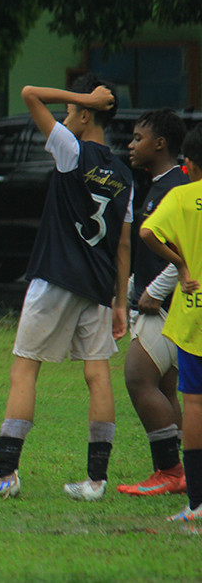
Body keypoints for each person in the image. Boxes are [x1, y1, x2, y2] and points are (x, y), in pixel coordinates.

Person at [0, 75, 133, 502]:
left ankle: (4, 473)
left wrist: (81, 96)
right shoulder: (126, 174)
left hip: (55, 278)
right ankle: (95, 481)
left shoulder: (72, 150)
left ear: (86, 113)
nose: (65, 116)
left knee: (24, 368)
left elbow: (29, 93)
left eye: (72, 111)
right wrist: (121, 301)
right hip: (97, 285)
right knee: (97, 374)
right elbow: (123, 243)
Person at [116, 110, 188, 496]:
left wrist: (153, 292)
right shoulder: (161, 185)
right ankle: (181, 470)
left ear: (159, 144)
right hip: (160, 306)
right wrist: (130, 288)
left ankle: (171, 470)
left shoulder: (176, 189)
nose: (130, 144)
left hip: (165, 308)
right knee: (164, 388)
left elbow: (185, 253)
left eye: (137, 137)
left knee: (138, 379)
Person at [140, 125, 202, 521]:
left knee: (194, 404)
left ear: (189, 162)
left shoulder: (181, 196)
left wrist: (180, 263)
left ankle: (197, 504)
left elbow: (147, 232)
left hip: (194, 310)